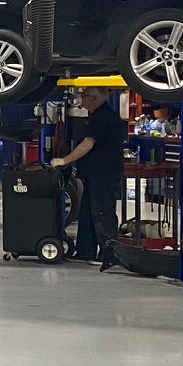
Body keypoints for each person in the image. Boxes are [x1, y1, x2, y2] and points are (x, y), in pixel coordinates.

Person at [51, 87, 127, 263]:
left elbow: (87, 144)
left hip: (103, 173)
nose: (81, 99)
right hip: (95, 173)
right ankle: (85, 251)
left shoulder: (102, 117)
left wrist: (65, 160)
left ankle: (109, 255)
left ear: (93, 99)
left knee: (102, 212)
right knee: (87, 213)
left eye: (83, 96)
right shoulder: (96, 116)